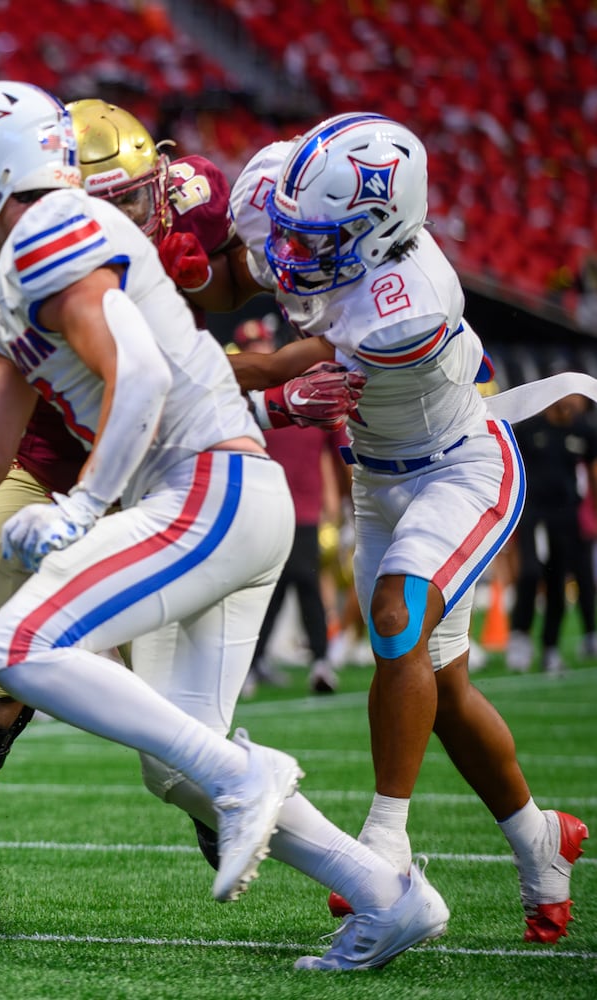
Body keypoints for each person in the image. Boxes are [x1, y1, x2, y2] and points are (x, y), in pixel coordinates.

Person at [0, 82, 448, 971]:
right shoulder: (2, 284)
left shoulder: (58, 234)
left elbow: (142, 373)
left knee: (19, 650)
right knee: (172, 760)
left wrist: (79, 511)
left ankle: (244, 778)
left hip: (193, 484)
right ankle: (385, 894)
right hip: (182, 491)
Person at [226, 112, 588, 943]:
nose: (293, 247)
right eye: (292, 225)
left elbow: (285, 366)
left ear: (382, 230)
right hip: (375, 482)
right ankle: (541, 840)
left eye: (322, 236)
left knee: (396, 617)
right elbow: (240, 265)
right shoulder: (286, 198)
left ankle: (383, 841)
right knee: (442, 687)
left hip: (458, 468)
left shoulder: (407, 305)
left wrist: (161, 363)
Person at [232, 318, 345, 695]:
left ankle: (314, 659)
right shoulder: (244, 402)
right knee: (272, 587)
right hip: (260, 506)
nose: (261, 351)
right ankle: (261, 662)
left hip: (304, 505)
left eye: (264, 344)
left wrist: (338, 498)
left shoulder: (309, 387)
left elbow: (336, 450)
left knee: (303, 578)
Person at [506, 392, 597, 673]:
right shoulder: (530, 428)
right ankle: (520, 636)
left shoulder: (583, 431)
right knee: (531, 572)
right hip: (532, 512)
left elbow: (593, 472)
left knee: (558, 580)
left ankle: (550, 647)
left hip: (566, 514)